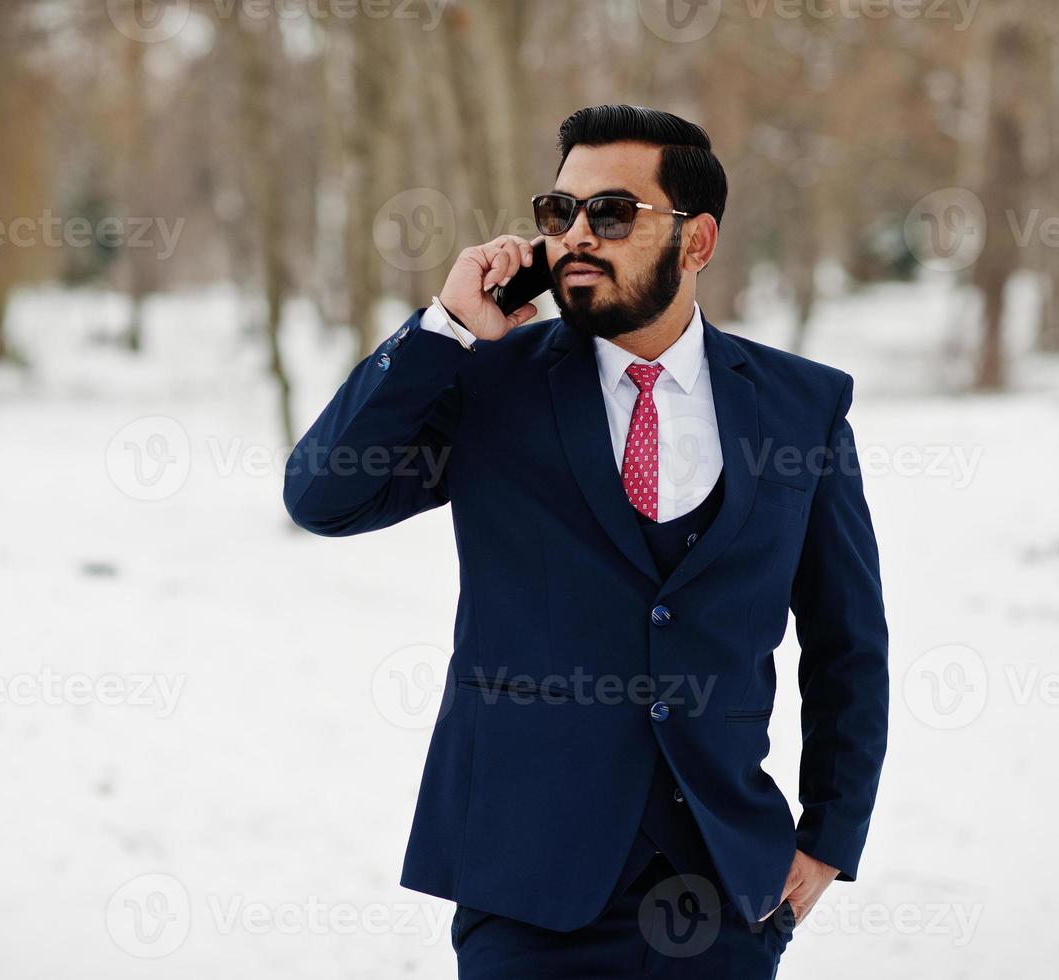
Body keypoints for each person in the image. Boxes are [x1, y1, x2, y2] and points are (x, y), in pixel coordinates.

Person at [283, 104, 889, 978]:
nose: (575, 235)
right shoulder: (488, 383)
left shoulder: (800, 407)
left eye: (610, 214)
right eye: (557, 212)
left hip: (721, 886)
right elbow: (323, 496)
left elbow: (847, 645)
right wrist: (444, 330)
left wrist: (830, 837)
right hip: (526, 888)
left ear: (697, 241)